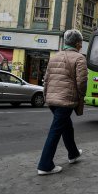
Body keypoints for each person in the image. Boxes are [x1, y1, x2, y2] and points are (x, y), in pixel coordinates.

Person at [37, 29, 88, 175]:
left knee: (66, 126)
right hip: (65, 99)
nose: (81, 46)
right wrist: (81, 96)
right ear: (78, 43)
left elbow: (46, 79)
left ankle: (73, 153)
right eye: (81, 44)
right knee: (56, 130)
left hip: (52, 99)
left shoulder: (54, 56)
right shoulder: (79, 58)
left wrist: (46, 96)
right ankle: (45, 165)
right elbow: (82, 82)